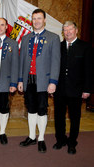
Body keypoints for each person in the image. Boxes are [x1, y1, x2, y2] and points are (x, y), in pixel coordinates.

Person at [18, 9, 61, 153]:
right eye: (34, 18)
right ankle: (31, 136)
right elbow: (22, 61)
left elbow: (56, 62)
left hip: (44, 80)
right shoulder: (25, 38)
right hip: (28, 79)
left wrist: (53, 81)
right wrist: (20, 80)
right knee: (31, 108)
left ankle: (41, 138)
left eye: (39, 18)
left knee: (42, 110)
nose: (36, 21)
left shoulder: (53, 38)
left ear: (44, 20)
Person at [53, 21, 92, 154]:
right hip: (59, 90)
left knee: (75, 118)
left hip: (77, 90)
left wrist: (87, 89)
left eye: (70, 29)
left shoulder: (85, 47)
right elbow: (54, 68)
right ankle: (60, 140)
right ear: (62, 32)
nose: (68, 32)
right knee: (59, 117)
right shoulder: (58, 46)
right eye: (65, 30)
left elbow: (88, 70)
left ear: (76, 30)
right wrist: (52, 86)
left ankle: (72, 142)